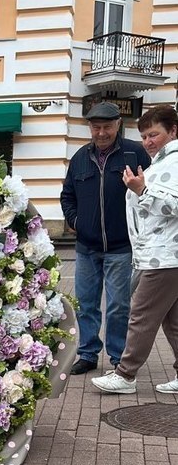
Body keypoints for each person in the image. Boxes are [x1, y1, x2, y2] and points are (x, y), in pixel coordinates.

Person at [91, 105, 178, 394]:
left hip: (163, 256)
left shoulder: (174, 162)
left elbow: (174, 207)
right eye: (143, 136)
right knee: (172, 321)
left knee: (140, 316)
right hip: (159, 254)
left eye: (154, 134)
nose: (148, 142)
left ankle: (126, 375)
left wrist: (142, 190)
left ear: (173, 131)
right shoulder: (162, 163)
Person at [60, 101, 151, 375]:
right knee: (86, 304)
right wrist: (76, 222)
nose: (101, 133)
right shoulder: (79, 157)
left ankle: (117, 357)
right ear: (90, 127)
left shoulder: (134, 154)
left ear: (118, 125)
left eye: (107, 127)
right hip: (86, 247)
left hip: (121, 247)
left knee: (118, 306)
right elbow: (67, 196)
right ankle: (87, 354)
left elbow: (151, 190)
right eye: (96, 127)